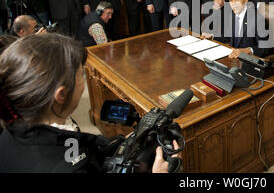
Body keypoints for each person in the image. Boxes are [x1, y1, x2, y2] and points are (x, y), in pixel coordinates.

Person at [0, 33, 176, 172]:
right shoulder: (70, 167)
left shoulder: (8, 133)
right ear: (61, 95)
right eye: (80, 75)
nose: (83, 81)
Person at [202, 0, 272, 59]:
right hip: (232, 57)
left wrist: (248, 50)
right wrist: (212, 36)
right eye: (231, 0)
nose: (233, 3)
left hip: (248, 60)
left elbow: (266, 48)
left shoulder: (258, 19)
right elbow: (228, 37)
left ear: (246, 0)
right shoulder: (230, 15)